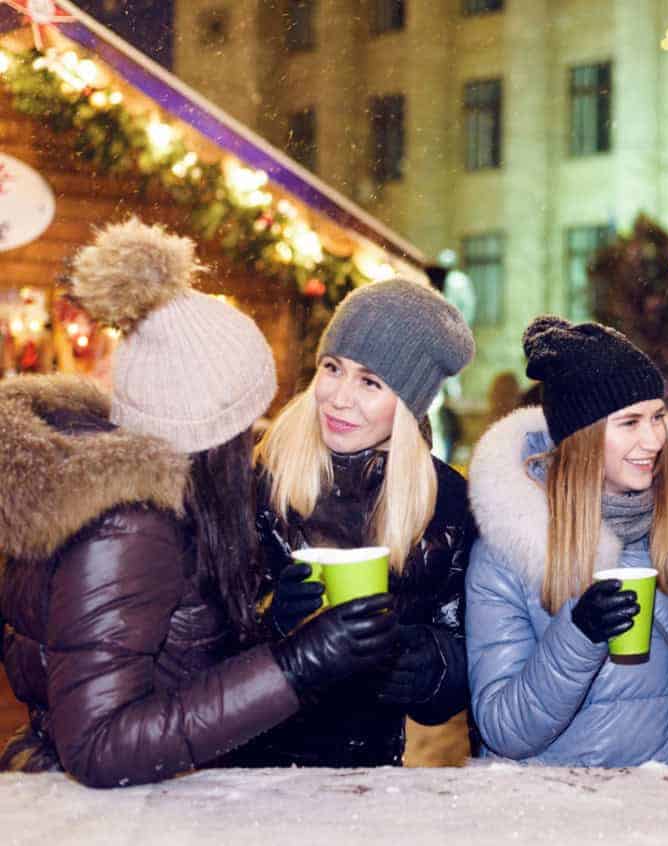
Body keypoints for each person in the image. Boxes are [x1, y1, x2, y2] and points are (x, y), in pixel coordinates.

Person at [0, 220, 398, 788]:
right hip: (95, 817)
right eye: (249, 420)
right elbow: (98, 744)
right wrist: (295, 665)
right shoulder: (130, 528)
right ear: (219, 433)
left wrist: (271, 630)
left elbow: (168, 664)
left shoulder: (168, 504)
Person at [464, 316, 668, 766]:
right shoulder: (509, 551)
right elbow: (503, 729)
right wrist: (579, 635)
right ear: (583, 438)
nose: (653, 439)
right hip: (566, 815)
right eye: (629, 422)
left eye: (658, 417)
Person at [234, 277, 478, 768]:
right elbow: (191, 651)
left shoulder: (445, 503)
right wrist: (268, 624)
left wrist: (433, 667)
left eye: (370, 382)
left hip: (371, 777)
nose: (339, 398)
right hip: (245, 772)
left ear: (410, 403)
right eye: (332, 369)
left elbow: (468, 655)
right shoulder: (259, 478)